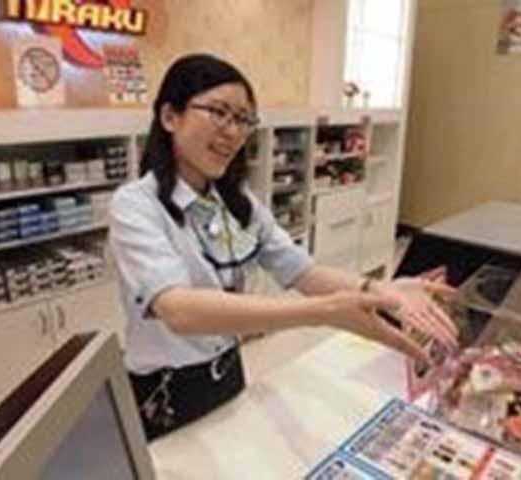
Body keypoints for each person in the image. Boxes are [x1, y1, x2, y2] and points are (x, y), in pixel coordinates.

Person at [109, 53, 457, 441]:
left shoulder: (236, 202)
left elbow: (303, 271)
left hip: (227, 372)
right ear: (170, 116)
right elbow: (178, 310)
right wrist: (322, 312)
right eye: (219, 113)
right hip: (165, 391)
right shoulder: (135, 205)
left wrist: (378, 289)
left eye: (243, 119)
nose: (233, 132)